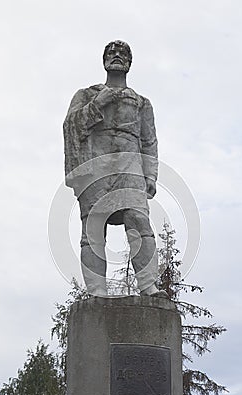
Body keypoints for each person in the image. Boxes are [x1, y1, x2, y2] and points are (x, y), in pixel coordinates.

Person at [63, 40, 167, 298]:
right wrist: (98, 103)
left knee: (138, 219)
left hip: (129, 165)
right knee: (94, 228)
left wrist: (150, 174)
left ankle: (148, 286)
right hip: (96, 166)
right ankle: (97, 292)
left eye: (122, 53)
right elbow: (71, 126)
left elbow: (149, 140)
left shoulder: (142, 102)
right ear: (104, 61)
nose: (117, 56)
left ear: (130, 63)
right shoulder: (87, 94)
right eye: (112, 53)